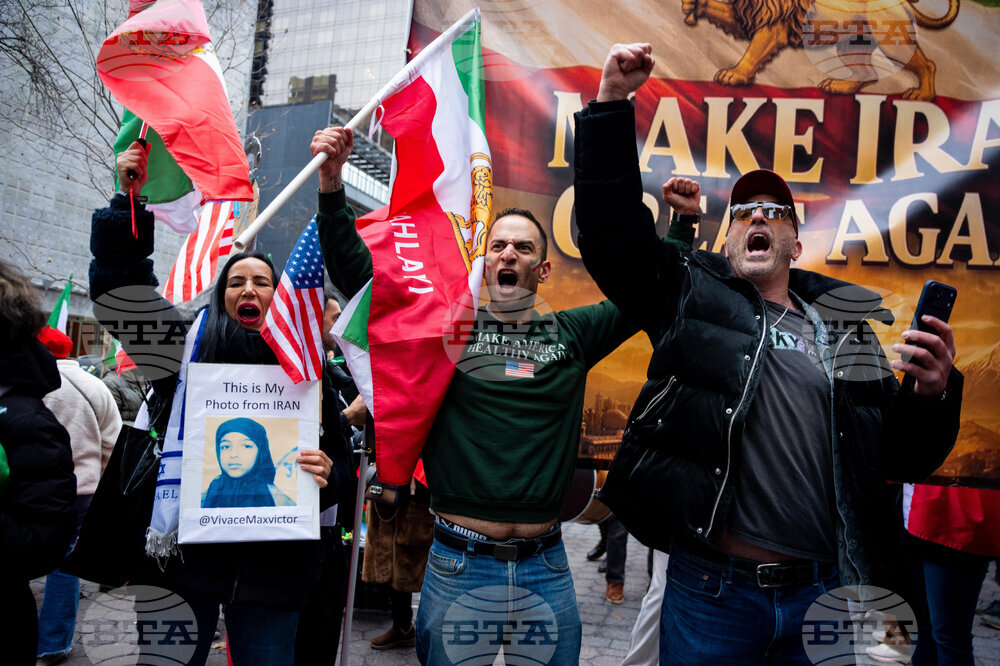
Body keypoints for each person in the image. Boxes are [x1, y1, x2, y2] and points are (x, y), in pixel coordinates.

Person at [573, 42, 964, 665]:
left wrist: (933, 394)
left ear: (794, 243)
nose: (757, 217)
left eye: (773, 212)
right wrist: (612, 102)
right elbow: (611, 235)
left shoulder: (847, 330)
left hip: (820, 593)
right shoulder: (689, 293)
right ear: (728, 240)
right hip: (713, 594)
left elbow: (901, 455)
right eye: (743, 212)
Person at [309, 126, 695, 664]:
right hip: (458, 566)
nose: (509, 252)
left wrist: (683, 222)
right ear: (485, 263)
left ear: (541, 269)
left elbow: (650, 295)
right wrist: (331, 184)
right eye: (499, 245)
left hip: (547, 567)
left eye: (523, 247)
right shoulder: (447, 330)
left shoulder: (573, 334)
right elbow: (358, 273)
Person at [88, 141, 343, 666]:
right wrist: (125, 202)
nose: (248, 288)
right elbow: (120, 293)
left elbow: (341, 472)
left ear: (279, 295)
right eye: (236, 280)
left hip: (275, 571)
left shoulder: (307, 368)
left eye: (262, 281)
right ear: (222, 294)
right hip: (182, 562)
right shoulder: (183, 351)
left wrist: (326, 472)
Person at [0, 262, 76, 666]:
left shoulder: (25, 415)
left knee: (64, 571)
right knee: (67, 574)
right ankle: (55, 642)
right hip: (79, 490)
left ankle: (56, 642)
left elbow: (38, 544)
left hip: (67, 497)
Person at [35, 327, 122, 665]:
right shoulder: (94, 385)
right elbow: (112, 442)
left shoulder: (26, 383)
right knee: (64, 565)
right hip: (81, 490)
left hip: (27, 487)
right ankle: (53, 644)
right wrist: (98, 477)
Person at [293, 294, 363, 666]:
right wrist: (348, 418)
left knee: (321, 642)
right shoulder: (287, 375)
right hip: (291, 541)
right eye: (333, 317)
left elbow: (336, 460)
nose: (340, 326)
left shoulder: (335, 374)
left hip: (333, 536)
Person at [202, 418, 294, 508]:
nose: (233, 454)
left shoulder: (280, 502)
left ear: (261, 452)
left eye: (246, 446)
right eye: (226, 447)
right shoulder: (206, 497)